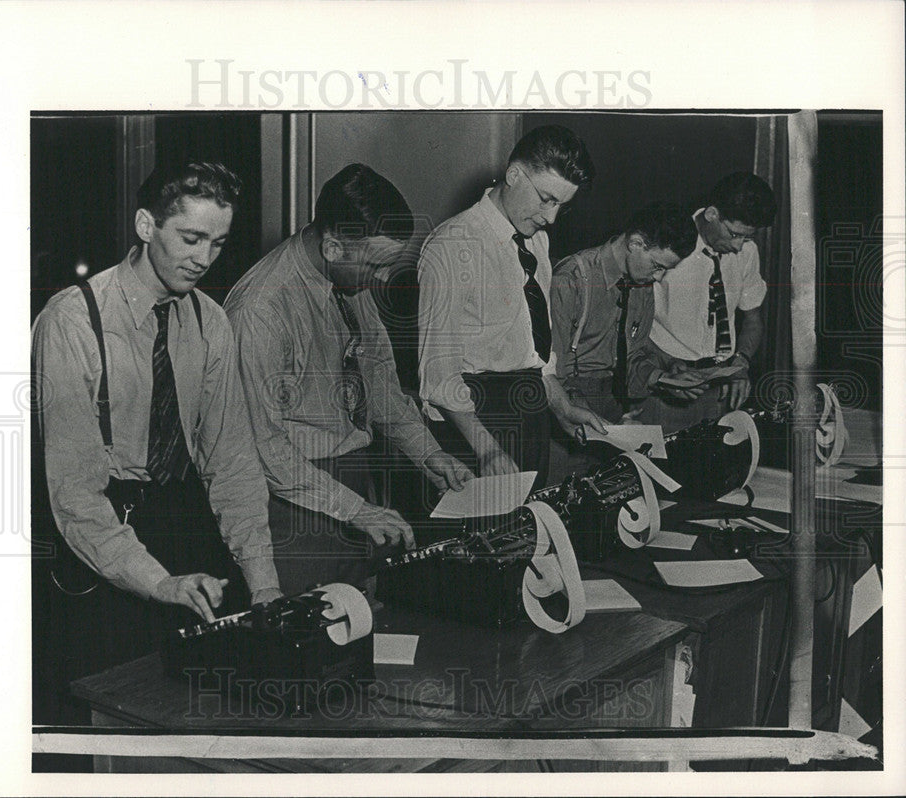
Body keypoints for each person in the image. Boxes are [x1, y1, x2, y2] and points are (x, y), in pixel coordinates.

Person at [31, 161, 282, 724]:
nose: (203, 258)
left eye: (217, 243)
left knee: (212, 714)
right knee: (120, 715)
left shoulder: (212, 323)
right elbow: (74, 495)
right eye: (190, 238)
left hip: (181, 520)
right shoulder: (73, 321)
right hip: (99, 547)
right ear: (147, 225)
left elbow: (233, 465)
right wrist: (159, 583)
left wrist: (264, 585)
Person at [224, 164, 472, 596]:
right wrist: (355, 510)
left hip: (355, 482)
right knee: (307, 641)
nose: (381, 279)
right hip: (292, 503)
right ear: (334, 247)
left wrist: (429, 453)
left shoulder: (350, 278)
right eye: (376, 265)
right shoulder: (259, 311)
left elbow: (378, 383)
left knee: (367, 632)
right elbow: (263, 449)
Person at [417, 125, 606, 490]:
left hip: (530, 415)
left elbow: (531, 349)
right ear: (514, 175)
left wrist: (561, 407)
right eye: (546, 199)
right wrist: (487, 451)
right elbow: (439, 375)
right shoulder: (452, 245)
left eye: (561, 206)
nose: (550, 217)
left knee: (533, 536)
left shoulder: (536, 243)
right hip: (474, 425)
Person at [630, 172, 777, 432]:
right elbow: (633, 324)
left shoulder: (747, 252)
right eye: (734, 234)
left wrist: (741, 363)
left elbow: (753, 319)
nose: (740, 247)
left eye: (748, 237)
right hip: (666, 389)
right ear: (712, 214)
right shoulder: (668, 240)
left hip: (719, 391)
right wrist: (667, 370)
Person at [550, 201, 695, 423]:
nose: (659, 277)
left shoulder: (642, 285)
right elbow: (551, 369)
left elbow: (631, 355)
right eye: (657, 266)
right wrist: (577, 409)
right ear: (635, 242)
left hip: (613, 400)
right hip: (567, 400)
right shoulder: (572, 278)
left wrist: (663, 379)